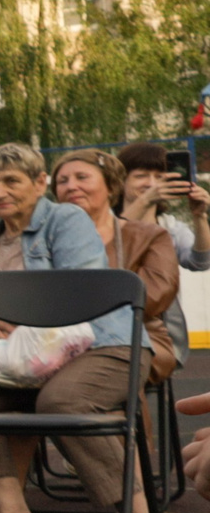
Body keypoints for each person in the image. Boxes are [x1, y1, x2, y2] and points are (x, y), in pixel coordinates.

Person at [0, 143, 151, 513]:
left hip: (103, 345)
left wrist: (17, 321)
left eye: (11, 181)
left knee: (62, 400)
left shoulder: (65, 219)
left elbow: (78, 291)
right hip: (28, 361)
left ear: (40, 184)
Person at [53, 148, 178, 385]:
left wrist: (74, 306)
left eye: (82, 178)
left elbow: (153, 296)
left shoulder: (149, 236)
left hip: (136, 337)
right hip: (58, 340)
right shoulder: (42, 241)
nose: (71, 186)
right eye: (62, 181)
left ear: (111, 187)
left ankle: (114, 421)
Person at [115, 142, 210, 273]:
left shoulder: (171, 227)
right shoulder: (105, 221)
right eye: (141, 176)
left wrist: (200, 216)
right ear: (121, 181)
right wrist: (145, 200)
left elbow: (200, 263)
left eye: (159, 177)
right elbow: (111, 245)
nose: (152, 184)